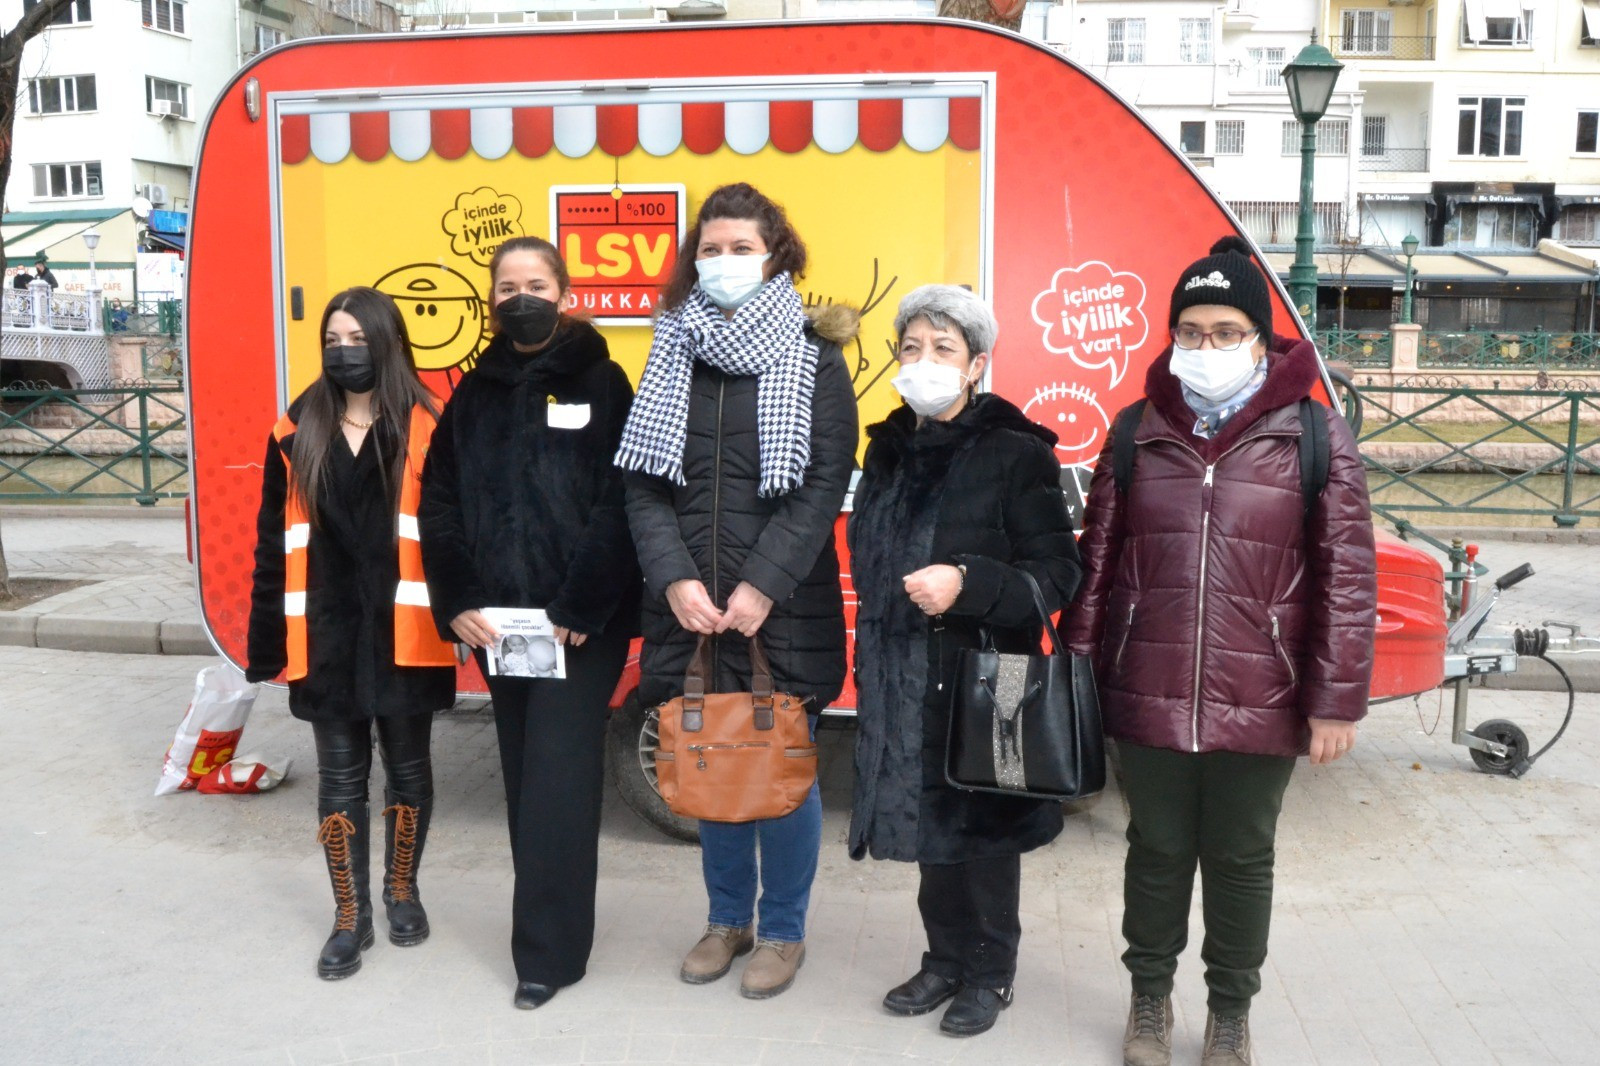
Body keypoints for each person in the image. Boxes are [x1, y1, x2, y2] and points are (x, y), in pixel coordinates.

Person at [1062, 237, 1376, 1066]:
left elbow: (1347, 575)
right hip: (1149, 685)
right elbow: (1096, 563)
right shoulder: (1135, 431)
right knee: (1156, 850)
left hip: (1263, 690)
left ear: (1260, 337)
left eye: (1226, 329)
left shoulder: (1313, 433)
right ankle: (1150, 1000)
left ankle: (1231, 1011)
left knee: (1240, 857)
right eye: (1191, 331)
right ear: (1172, 338)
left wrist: (1336, 700)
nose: (1206, 347)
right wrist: (1080, 679)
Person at [618, 182, 858, 1000]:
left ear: (776, 256)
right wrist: (674, 576)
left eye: (741, 248)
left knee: (782, 773)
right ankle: (728, 920)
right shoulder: (668, 352)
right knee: (710, 764)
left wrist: (762, 584)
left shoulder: (814, 357)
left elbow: (825, 481)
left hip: (779, 608)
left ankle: (784, 932)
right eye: (711, 249)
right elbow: (642, 487)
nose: (724, 262)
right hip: (688, 607)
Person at [846, 284, 1082, 1037]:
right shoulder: (885, 451)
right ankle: (943, 959)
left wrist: (970, 584)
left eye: (943, 349)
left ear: (977, 364)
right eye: (911, 348)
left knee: (980, 832)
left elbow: (1057, 574)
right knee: (926, 831)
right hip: (899, 672)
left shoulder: (1016, 455)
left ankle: (990, 972)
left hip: (982, 680)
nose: (924, 363)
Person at [418, 236, 640, 1010]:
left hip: (581, 625)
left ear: (566, 294)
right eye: (507, 285)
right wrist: (457, 600)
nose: (521, 296)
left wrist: (583, 602)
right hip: (500, 626)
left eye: (535, 283)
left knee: (557, 778)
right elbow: (438, 502)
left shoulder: (606, 382)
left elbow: (627, 500)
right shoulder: (471, 395)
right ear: (492, 299)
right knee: (523, 775)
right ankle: (546, 932)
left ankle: (547, 957)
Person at [247, 287, 457, 980]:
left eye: (358, 339)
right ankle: (350, 916)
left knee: (408, 773)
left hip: (408, 631)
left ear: (388, 342)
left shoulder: (429, 422)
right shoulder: (294, 427)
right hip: (327, 638)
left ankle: (403, 890)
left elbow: (457, 534)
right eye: (333, 339)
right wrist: (264, 642)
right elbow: (272, 544)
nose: (344, 350)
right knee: (340, 781)